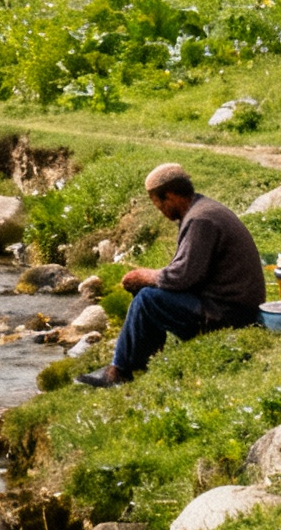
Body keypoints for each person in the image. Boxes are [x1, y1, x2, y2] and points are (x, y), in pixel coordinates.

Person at [77, 164, 264, 387]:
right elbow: (188, 272)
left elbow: (183, 277)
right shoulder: (201, 209)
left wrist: (147, 276)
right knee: (147, 292)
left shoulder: (200, 220)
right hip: (228, 304)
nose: (161, 211)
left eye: (158, 203)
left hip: (230, 313)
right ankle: (140, 359)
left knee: (148, 298)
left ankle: (121, 372)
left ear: (171, 196)